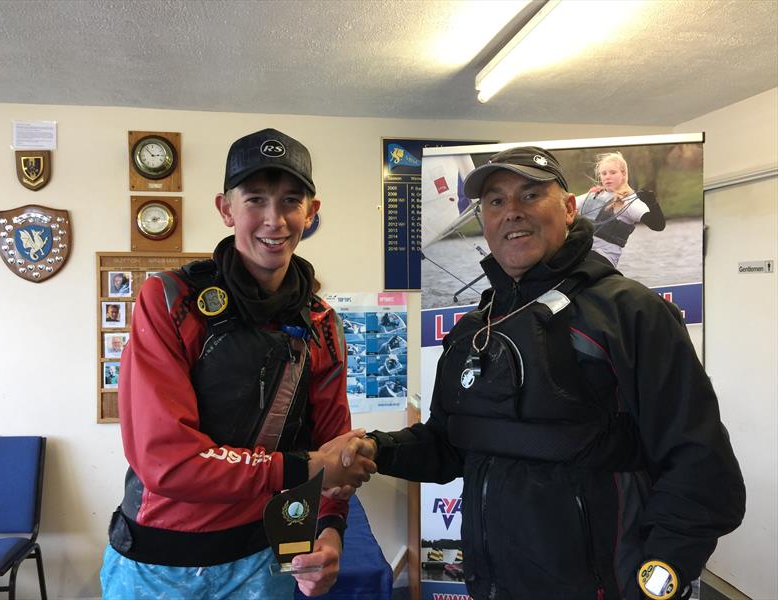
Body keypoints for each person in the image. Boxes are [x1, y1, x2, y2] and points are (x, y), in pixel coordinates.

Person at [342, 147, 745, 600]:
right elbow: (448, 446)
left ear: (569, 208)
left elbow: (703, 468)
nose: (512, 212)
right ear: (484, 220)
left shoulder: (629, 313)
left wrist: (660, 578)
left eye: (531, 195)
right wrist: (374, 448)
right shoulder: (473, 330)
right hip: (494, 585)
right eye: (495, 201)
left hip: (610, 586)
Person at [100, 128, 376, 599]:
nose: (275, 219)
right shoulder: (168, 299)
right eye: (255, 200)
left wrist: (330, 531)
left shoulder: (322, 323)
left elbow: (334, 450)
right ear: (226, 209)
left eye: (291, 200)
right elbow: (165, 461)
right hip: (157, 563)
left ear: (311, 213)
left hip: (262, 561)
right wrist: (302, 468)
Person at [576, 151, 665, 266]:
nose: (607, 176)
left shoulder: (628, 201)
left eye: (612, 172)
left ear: (623, 174)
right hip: (581, 252)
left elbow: (658, 225)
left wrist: (652, 203)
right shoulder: (592, 195)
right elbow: (564, 205)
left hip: (603, 258)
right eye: (604, 173)